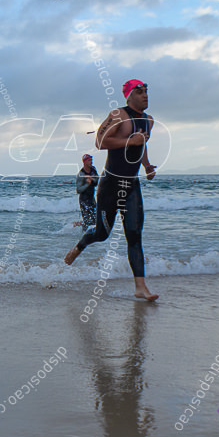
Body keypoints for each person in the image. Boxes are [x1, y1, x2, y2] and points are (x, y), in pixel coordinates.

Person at [65, 80, 158, 301]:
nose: (145, 95)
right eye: (139, 92)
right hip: (110, 185)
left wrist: (146, 165)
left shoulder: (148, 120)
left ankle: (140, 287)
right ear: (128, 96)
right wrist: (129, 141)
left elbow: (141, 144)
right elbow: (99, 141)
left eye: (146, 91)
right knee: (101, 234)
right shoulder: (118, 115)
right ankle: (79, 246)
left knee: (134, 236)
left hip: (131, 184)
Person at [76, 154, 99, 227]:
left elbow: (96, 182)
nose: (91, 162)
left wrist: (92, 179)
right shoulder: (81, 174)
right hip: (84, 200)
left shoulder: (93, 170)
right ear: (84, 162)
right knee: (88, 222)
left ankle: (79, 224)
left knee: (96, 220)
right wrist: (87, 184)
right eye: (89, 160)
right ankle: (79, 227)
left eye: (91, 160)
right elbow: (78, 190)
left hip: (91, 199)